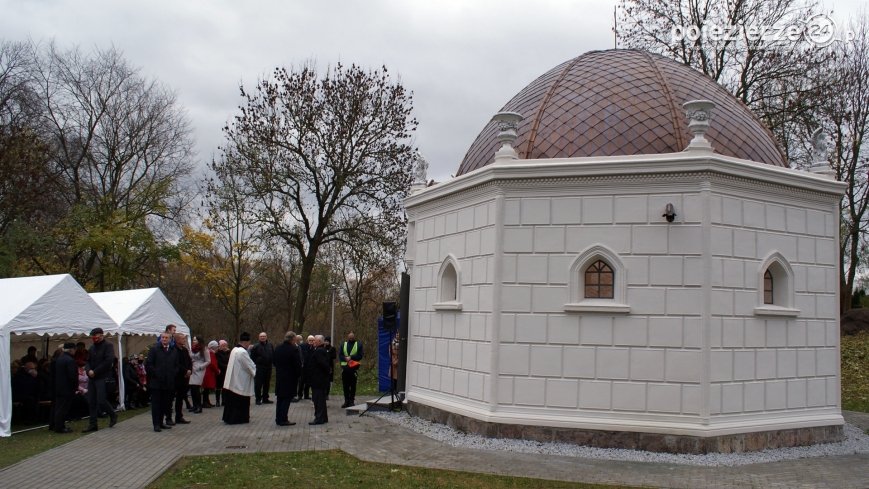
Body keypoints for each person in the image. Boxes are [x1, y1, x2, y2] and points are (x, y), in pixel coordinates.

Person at [83, 327, 117, 432]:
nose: (94, 338)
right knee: (91, 401)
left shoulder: (108, 346)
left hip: (102, 377)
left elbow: (108, 361)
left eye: (96, 336)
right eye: (93, 336)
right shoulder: (92, 348)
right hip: (92, 378)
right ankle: (93, 424)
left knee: (101, 400)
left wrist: (95, 371)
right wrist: (88, 370)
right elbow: (87, 361)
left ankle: (112, 414)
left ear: (101, 335)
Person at [146, 331, 179, 432]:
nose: (164, 339)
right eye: (163, 337)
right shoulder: (154, 349)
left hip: (168, 382)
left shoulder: (173, 351)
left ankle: (161, 422)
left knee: (165, 404)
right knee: (156, 404)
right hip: (156, 382)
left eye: (166, 338)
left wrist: (173, 374)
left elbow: (176, 365)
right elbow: (149, 365)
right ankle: (156, 424)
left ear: (170, 339)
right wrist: (156, 374)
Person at [222, 332, 256, 424]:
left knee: (231, 401)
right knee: (240, 401)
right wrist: (255, 369)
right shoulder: (242, 352)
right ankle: (238, 418)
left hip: (232, 380)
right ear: (246, 342)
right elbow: (249, 366)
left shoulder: (234, 349)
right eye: (249, 342)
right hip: (240, 381)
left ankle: (228, 418)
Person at [272, 331, 301, 426]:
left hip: (280, 377)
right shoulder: (294, 349)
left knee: (280, 399)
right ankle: (283, 419)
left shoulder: (278, 348)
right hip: (290, 378)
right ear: (293, 339)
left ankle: (278, 418)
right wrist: (299, 375)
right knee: (286, 399)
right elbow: (297, 364)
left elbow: (274, 362)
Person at [52, 342, 78, 433]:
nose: (75, 351)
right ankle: (60, 427)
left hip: (59, 387)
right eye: (74, 349)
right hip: (67, 388)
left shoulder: (60, 359)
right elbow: (72, 376)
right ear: (71, 349)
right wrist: (75, 387)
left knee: (59, 408)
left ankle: (58, 425)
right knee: (63, 409)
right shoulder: (70, 360)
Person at [308, 335, 331, 425]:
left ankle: (319, 418)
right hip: (319, 379)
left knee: (318, 400)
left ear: (320, 342)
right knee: (320, 399)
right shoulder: (320, 350)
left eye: (315, 341)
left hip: (318, 380)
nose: (313, 342)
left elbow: (324, 365)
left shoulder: (319, 351)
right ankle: (323, 417)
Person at [170, 333, 192, 425]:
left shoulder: (185, 350)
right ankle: (168, 417)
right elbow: (176, 363)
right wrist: (184, 371)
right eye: (182, 339)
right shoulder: (173, 350)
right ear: (177, 340)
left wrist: (190, 370)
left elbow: (189, 361)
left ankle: (179, 416)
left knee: (180, 397)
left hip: (185, 377)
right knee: (171, 398)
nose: (184, 340)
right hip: (176, 377)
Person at [339, 330, 364, 408]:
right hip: (345, 368)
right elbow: (340, 355)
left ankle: (351, 401)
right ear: (348, 337)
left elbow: (360, 356)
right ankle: (346, 401)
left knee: (353, 386)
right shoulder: (343, 344)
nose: (351, 338)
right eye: (349, 337)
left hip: (353, 368)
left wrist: (351, 357)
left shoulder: (359, 344)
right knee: (345, 386)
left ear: (354, 337)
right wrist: (345, 358)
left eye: (352, 337)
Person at [249, 332, 274, 405]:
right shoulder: (256, 346)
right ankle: (258, 399)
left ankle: (265, 398)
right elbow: (252, 358)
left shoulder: (270, 345)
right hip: (259, 368)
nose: (262, 337)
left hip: (268, 367)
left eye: (264, 336)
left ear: (266, 337)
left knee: (267, 383)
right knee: (258, 384)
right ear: (259, 337)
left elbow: (273, 354)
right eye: (261, 336)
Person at [188, 336, 210, 413]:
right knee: (192, 388)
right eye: (193, 340)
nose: (193, 341)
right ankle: (194, 405)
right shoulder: (192, 349)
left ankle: (199, 406)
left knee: (196, 387)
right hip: (192, 368)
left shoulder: (204, 349)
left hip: (200, 369)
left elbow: (208, 361)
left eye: (195, 340)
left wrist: (201, 367)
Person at [202, 340, 220, 408]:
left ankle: (207, 401)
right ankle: (205, 402)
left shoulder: (209, 352)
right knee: (206, 388)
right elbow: (212, 364)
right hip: (209, 373)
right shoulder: (211, 353)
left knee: (207, 388)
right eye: (216, 347)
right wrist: (217, 371)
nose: (217, 349)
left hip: (208, 372)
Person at [298, 335, 314, 400]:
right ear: (307, 340)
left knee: (308, 382)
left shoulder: (314, 347)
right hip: (303, 367)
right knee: (301, 381)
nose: (311, 342)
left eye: (312, 340)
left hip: (310, 367)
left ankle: (306, 395)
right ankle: (299, 395)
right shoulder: (302, 346)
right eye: (310, 340)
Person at [214, 340, 230, 407]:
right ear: (220, 346)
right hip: (220, 372)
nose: (224, 347)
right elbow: (218, 362)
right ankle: (217, 401)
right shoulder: (217, 353)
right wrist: (226, 366)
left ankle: (224, 401)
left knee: (225, 387)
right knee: (218, 387)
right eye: (222, 345)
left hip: (226, 372)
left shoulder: (228, 353)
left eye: (225, 345)